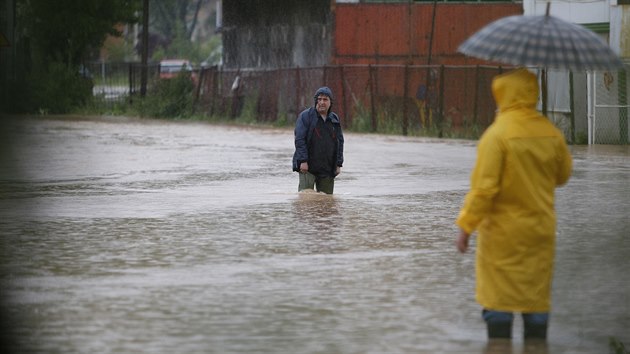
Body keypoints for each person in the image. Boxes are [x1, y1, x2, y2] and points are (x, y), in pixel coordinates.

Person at [455, 68, 573, 340]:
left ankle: (499, 345)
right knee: (535, 299)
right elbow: (563, 176)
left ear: (502, 95)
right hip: (540, 233)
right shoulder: (551, 133)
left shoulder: (496, 136)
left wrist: (465, 228)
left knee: (499, 301)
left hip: (502, 236)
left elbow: (483, 191)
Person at [292, 86, 344, 194]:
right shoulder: (305, 116)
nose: (321, 102)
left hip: (327, 168)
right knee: (305, 200)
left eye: (325, 100)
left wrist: (338, 164)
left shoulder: (334, 119)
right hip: (308, 167)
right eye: (319, 99)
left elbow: (339, 142)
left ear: (330, 102)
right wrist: (303, 161)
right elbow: (299, 140)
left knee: (327, 203)